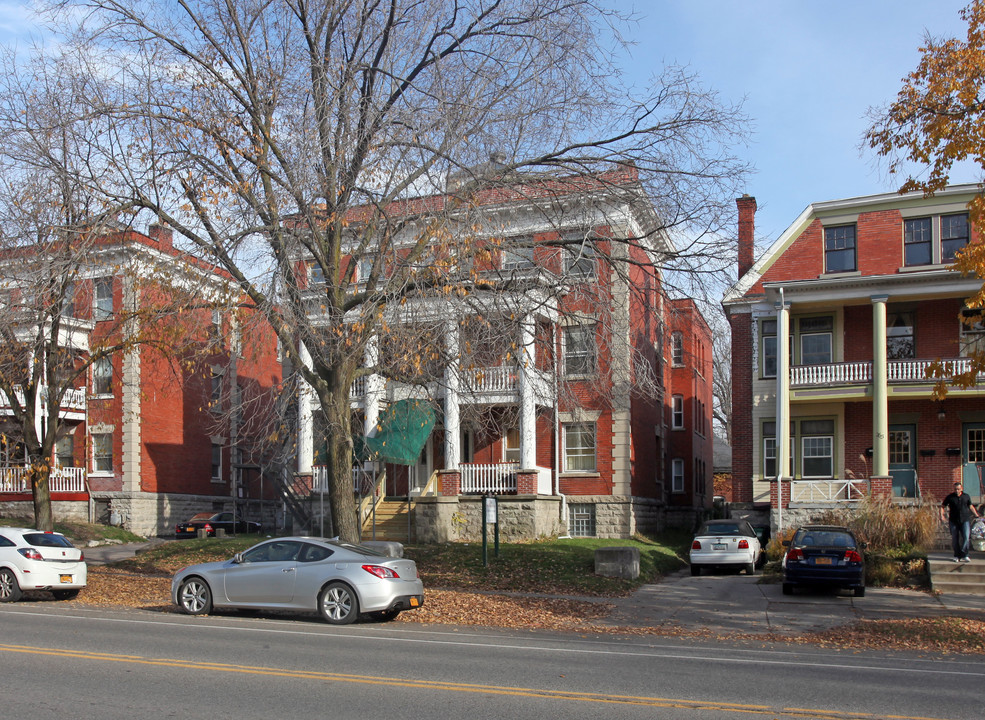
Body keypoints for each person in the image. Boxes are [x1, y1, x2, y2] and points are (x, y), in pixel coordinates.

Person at [940, 481, 980, 563]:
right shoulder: (950, 497)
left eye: (958, 489)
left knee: (966, 537)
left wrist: (976, 514)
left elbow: (970, 506)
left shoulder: (966, 496)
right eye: (955, 489)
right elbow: (942, 506)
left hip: (965, 520)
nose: (957, 491)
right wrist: (942, 515)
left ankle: (965, 554)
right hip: (954, 521)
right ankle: (957, 555)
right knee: (955, 538)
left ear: (961, 489)